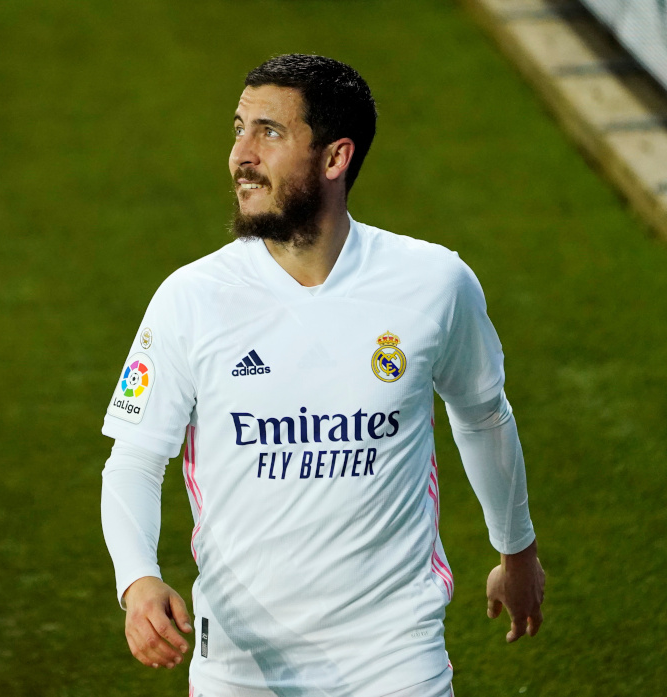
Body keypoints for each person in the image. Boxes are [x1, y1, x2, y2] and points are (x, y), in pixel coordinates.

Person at [101, 54, 545, 697]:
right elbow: (135, 459)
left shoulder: (435, 284)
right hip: (240, 667)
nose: (241, 156)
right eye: (238, 129)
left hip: (397, 659)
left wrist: (518, 550)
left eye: (269, 133)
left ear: (335, 158)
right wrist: (137, 578)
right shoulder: (190, 299)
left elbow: (482, 415)